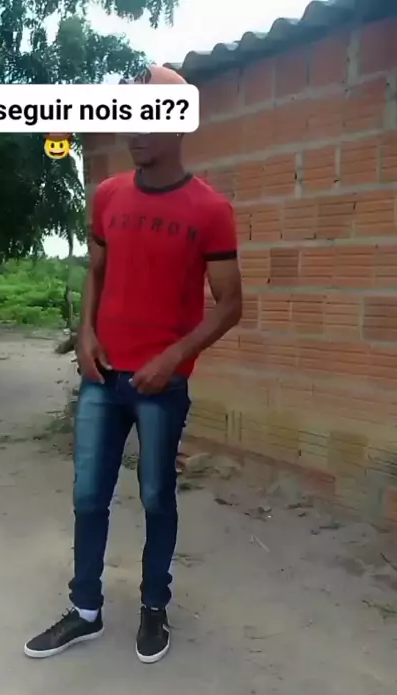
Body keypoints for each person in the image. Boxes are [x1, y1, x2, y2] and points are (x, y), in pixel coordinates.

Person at [24, 65, 242, 664]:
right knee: (88, 496)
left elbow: (231, 304)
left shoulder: (210, 210)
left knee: (156, 498)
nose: (132, 129)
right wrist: (85, 332)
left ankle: (153, 607)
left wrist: (174, 357)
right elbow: (96, 271)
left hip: (161, 386)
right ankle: (86, 611)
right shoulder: (108, 196)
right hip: (102, 377)